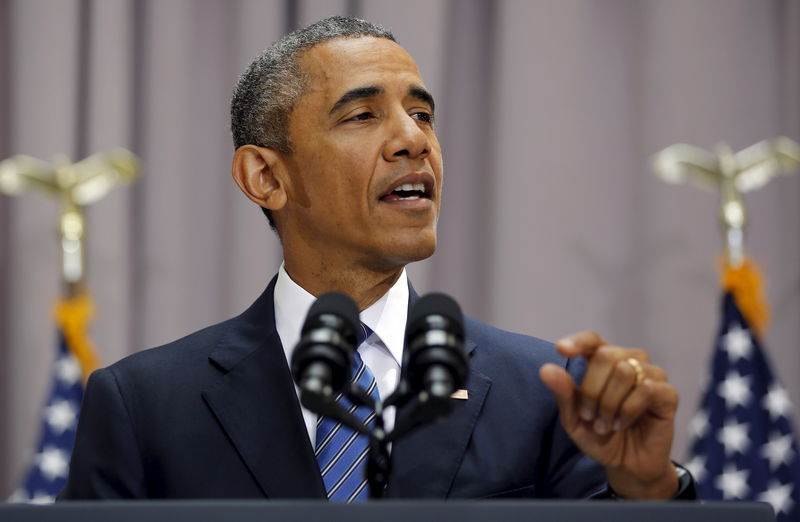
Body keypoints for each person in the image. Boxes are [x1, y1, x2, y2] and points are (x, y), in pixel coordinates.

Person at [59, 16, 694, 501]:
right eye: (363, 115)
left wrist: (650, 491)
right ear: (264, 177)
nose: (415, 140)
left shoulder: (546, 393)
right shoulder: (143, 404)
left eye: (422, 115)